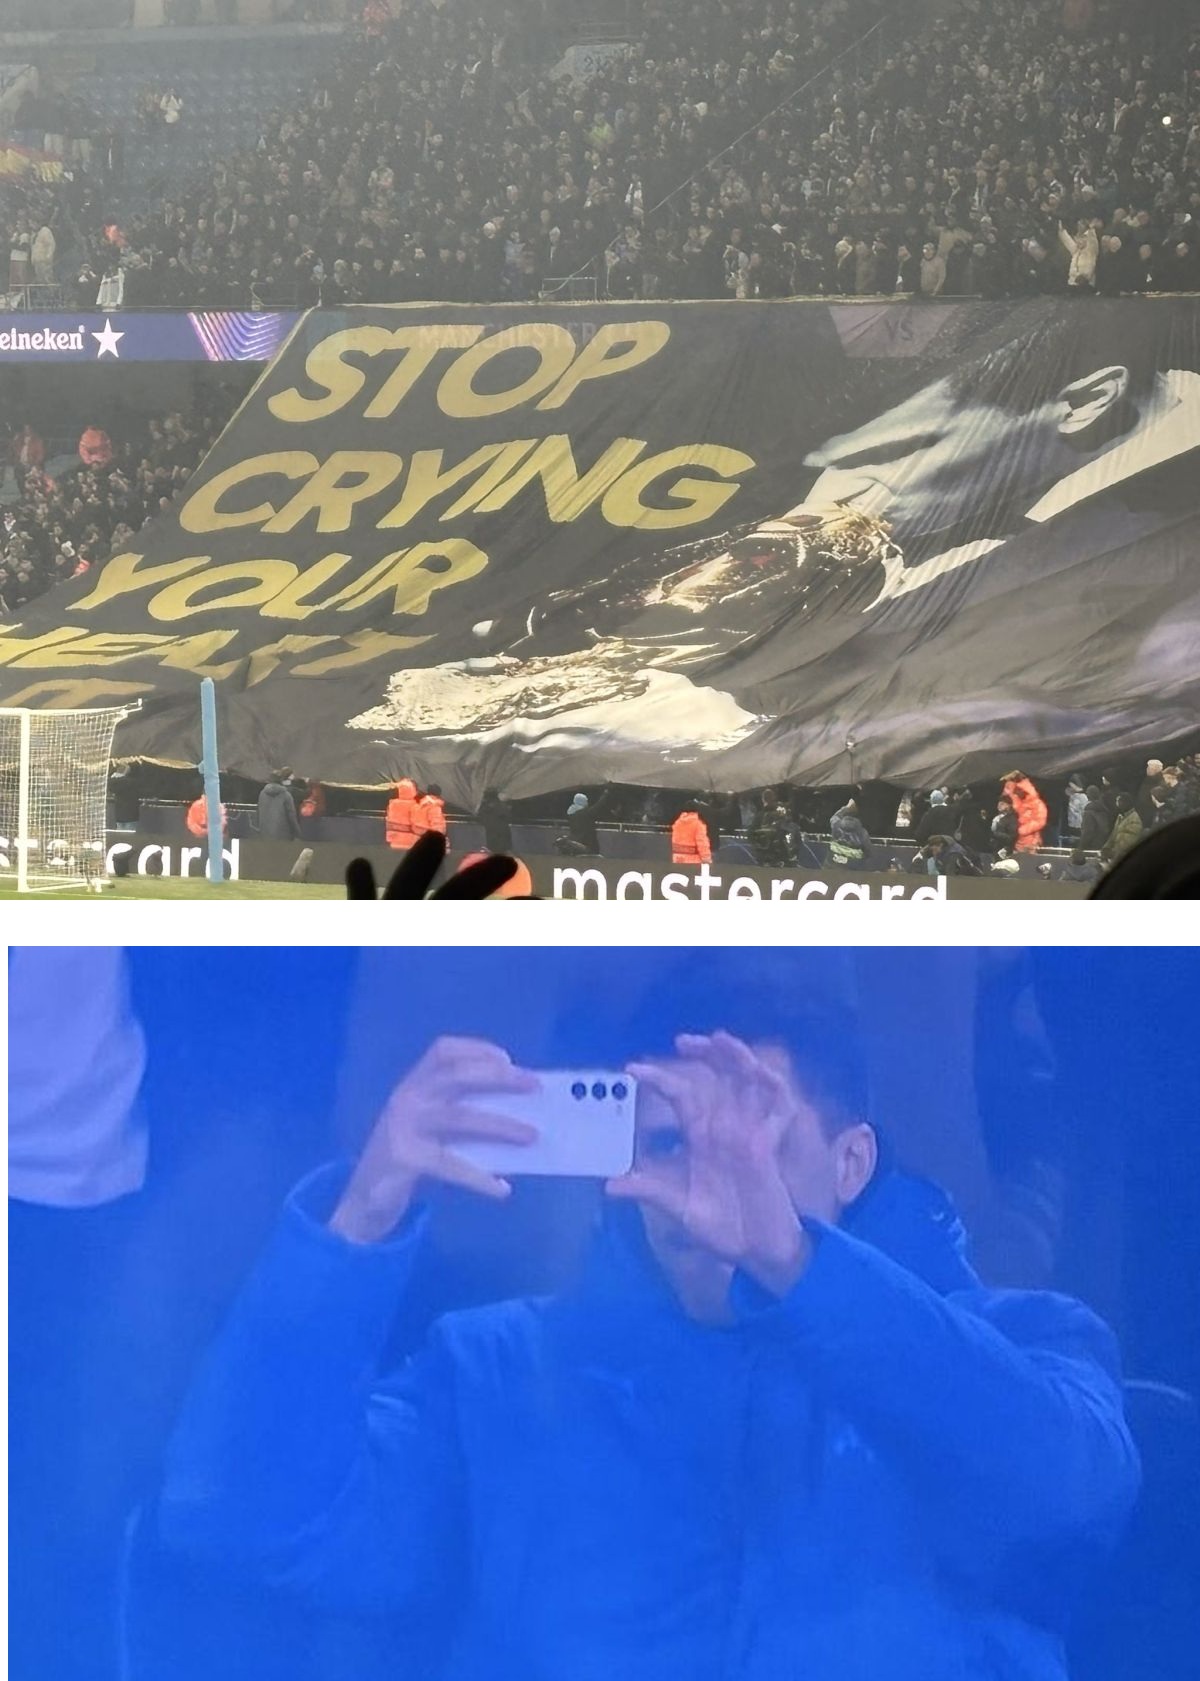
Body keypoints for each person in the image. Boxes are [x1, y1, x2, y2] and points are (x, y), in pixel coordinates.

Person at [158, 1007, 1140, 1681]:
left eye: (755, 1147)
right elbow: (246, 1520)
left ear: (852, 1162)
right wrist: (360, 1215)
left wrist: (794, 1262)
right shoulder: (498, 1371)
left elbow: (1066, 1491)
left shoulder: (1023, 1341)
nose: (711, 1191)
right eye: (670, 1146)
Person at [1001, 772, 1047, 852]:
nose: (1018, 792)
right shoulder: (1016, 800)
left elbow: (1040, 821)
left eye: (1020, 790)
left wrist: (1021, 830)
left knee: (1028, 859)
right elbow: (1007, 795)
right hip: (1013, 839)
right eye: (1017, 790)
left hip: (1030, 841)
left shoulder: (1037, 804)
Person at [256, 768, 301, 841]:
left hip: (265, 834)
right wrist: (297, 833)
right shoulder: (286, 795)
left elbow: (258, 813)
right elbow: (291, 816)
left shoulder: (262, 794)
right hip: (284, 835)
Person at [1100, 793, 1144, 864]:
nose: (1117, 804)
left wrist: (1113, 852)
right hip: (1115, 856)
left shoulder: (1135, 819)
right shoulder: (1120, 817)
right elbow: (1113, 835)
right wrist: (1106, 847)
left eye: (1120, 801)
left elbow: (1129, 841)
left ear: (1127, 803)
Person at [827, 797, 871, 866]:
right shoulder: (862, 832)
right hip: (854, 865)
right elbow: (868, 851)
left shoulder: (836, 824)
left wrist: (847, 807)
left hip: (833, 860)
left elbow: (834, 817)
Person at [385, 777, 420, 850]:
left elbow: (388, 820)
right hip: (411, 843)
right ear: (413, 791)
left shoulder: (392, 805)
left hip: (394, 841)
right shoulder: (415, 806)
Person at [477, 788, 513, 854]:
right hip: (499, 834)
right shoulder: (500, 805)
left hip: (495, 834)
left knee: (496, 849)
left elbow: (481, 817)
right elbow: (508, 817)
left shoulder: (485, 806)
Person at [1079, 784, 1110, 851]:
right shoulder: (1104, 809)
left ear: (1088, 795)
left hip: (1090, 846)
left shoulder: (1089, 811)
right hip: (1102, 843)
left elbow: (1088, 831)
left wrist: (1081, 847)